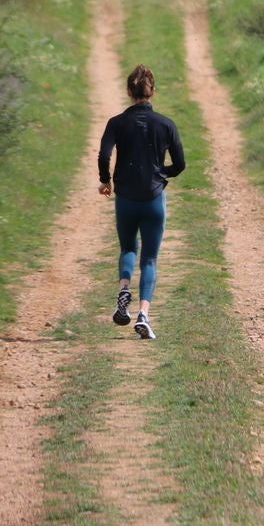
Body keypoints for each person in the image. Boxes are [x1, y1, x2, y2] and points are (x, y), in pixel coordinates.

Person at [97, 64, 185, 340]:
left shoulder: (116, 122)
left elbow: (103, 154)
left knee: (127, 247)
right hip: (153, 198)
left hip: (125, 197)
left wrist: (106, 180)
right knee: (149, 258)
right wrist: (162, 173)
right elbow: (180, 164)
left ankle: (124, 288)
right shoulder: (166, 124)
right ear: (153, 91)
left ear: (128, 91)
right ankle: (143, 315)